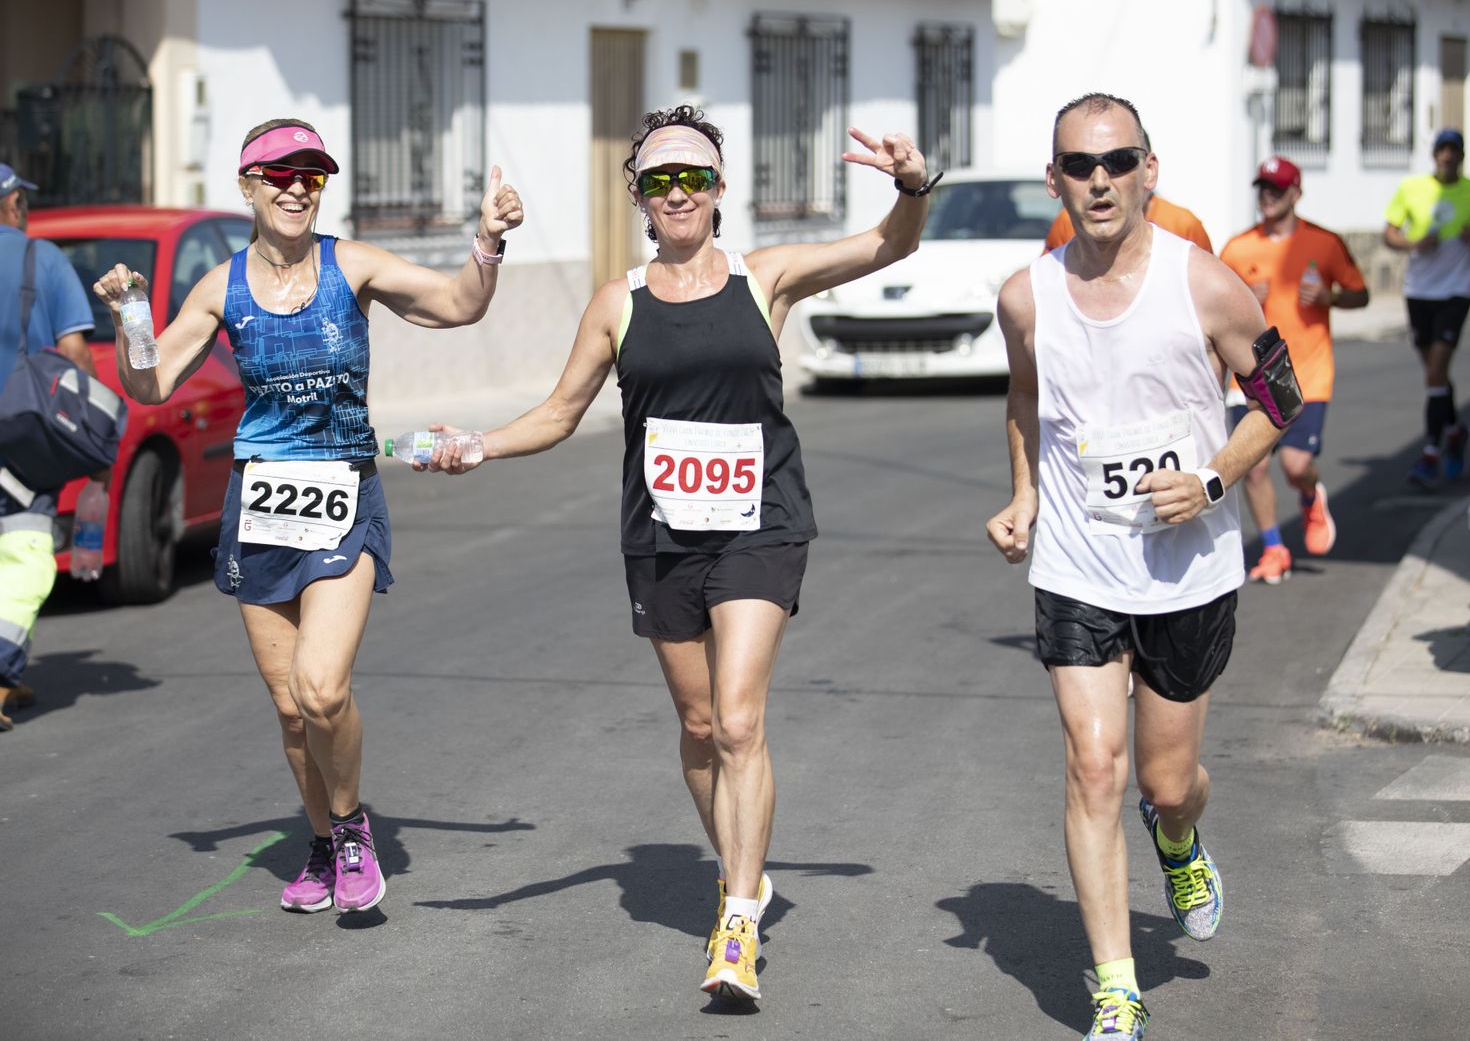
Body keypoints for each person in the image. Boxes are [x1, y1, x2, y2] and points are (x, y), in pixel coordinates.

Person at [421, 104, 932, 1002]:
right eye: (660, 181)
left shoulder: (765, 277)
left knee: (740, 720)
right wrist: (480, 443)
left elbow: (887, 246)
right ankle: (745, 864)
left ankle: (736, 918)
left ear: (720, 188)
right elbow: (559, 412)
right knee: (700, 728)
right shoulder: (617, 304)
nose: (679, 192)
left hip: (760, 523)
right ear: (640, 200)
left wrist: (911, 185)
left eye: (694, 175)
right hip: (660, 535)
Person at [90, 119, 522, 910]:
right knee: (292, 711)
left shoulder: (349, 265)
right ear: (248, 185)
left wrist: (487, 240)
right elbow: (149, 386)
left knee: (323, 688)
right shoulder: (219, 288)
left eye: (312, 176)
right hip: (260, 506)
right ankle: (321, 847)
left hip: (343, 491)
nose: (297, 187)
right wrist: (128, 318)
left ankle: (352, 829)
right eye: (280, 174)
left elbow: (459, 305)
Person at [985, 93, 1294, 1040]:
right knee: (1094, 766)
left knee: (1165, 782)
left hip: (1188, 571)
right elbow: (1026, 393)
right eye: (1081, 165)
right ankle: (1116, 983)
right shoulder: (1024, 295)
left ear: (1149, 170)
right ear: (1055, 181)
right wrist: (1025, 495)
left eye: (1118, 161)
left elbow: (1276, 394)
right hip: (1080, 566)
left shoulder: (1204, 285)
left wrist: (1210, 483)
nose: (1101, 180)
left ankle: (1181, 837)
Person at [1219, 156, 1368, 583]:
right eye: (1262, 188)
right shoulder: (1237, 247)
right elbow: (1210, 307)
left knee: (1297, 466)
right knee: (1254, 465)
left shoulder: (1324, 243)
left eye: (1277, 189)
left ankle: (1309, 497)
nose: (1267, 196)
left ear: (1296, 194)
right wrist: (1241, 296)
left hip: (1307, 373)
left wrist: (1329, 298)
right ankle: (1273, 548)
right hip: (1248, 377)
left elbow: (1361, 294)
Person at [0, 162, 98, 731]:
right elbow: (76, 355)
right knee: (23, 557)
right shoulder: (45, 260)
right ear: (13, 204)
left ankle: (9, 673)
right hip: (23, 438)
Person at [1383, 127, 1470, 488]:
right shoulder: (1412, 189)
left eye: (1454, 152)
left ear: (1462, 157)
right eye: (1442, 151)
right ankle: (1455, 430)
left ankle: (1431, 453)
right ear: (1434, 155)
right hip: (1419, 289)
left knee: (1437, 369)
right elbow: (1389, 233)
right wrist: (1413, 243)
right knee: (1434, 375)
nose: (1447, 158)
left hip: (1456, 288)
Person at [1044, 194, 1211, 253]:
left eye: (1123, 161)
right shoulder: (1070, 220)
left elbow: (1206, 287)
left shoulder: (1183, 223)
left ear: (1149, 169)